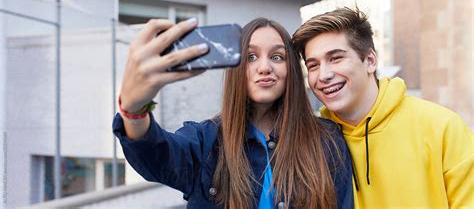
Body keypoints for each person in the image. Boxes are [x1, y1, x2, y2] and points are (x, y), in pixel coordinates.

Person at [113, 17, 354, 208]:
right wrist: (133, 108)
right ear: (235, 66)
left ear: (290, 69)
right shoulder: (205, 141)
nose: (264, 67)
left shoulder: (328, 140)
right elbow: (155, 154)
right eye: (251, 56)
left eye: (277, 57)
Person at [292, 7, 473, 208]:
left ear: (370, 61)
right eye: (313, 65)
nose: (323, 75)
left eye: (335, 58)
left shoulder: (442, 127)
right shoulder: (313, 144)